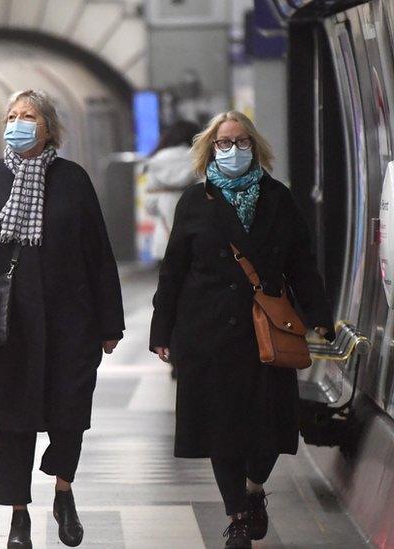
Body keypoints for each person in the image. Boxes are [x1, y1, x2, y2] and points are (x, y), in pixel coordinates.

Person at [148, 111, 334, 548]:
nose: (233, 150)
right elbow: (173, 271)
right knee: (220, 431)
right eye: (223, 143)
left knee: (269, 427)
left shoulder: (278, 199)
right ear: (210, 149)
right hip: (206, 333)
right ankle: (237, 518)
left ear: (256, 146)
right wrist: (162, 331)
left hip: (265, 333)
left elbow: (302, 263)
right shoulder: (195, 202)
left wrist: (319, 315)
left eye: (241, 142)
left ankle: (253, 489)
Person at [0, 89, 125, 548]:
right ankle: (18, 516)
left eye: (28, 115)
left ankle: (63, 490)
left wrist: (110, 325)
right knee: (14, 421)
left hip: (72, 321)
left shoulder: (73, 180)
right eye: (12, 115)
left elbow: (99, 256)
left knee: (70, 414)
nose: (18, 122)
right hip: (10, 326)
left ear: (49, 127)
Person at [145, 120, 200, 261]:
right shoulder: (199, 159)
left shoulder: (156, 161)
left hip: (165, 238)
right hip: (196, 238)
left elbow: (150, 206)